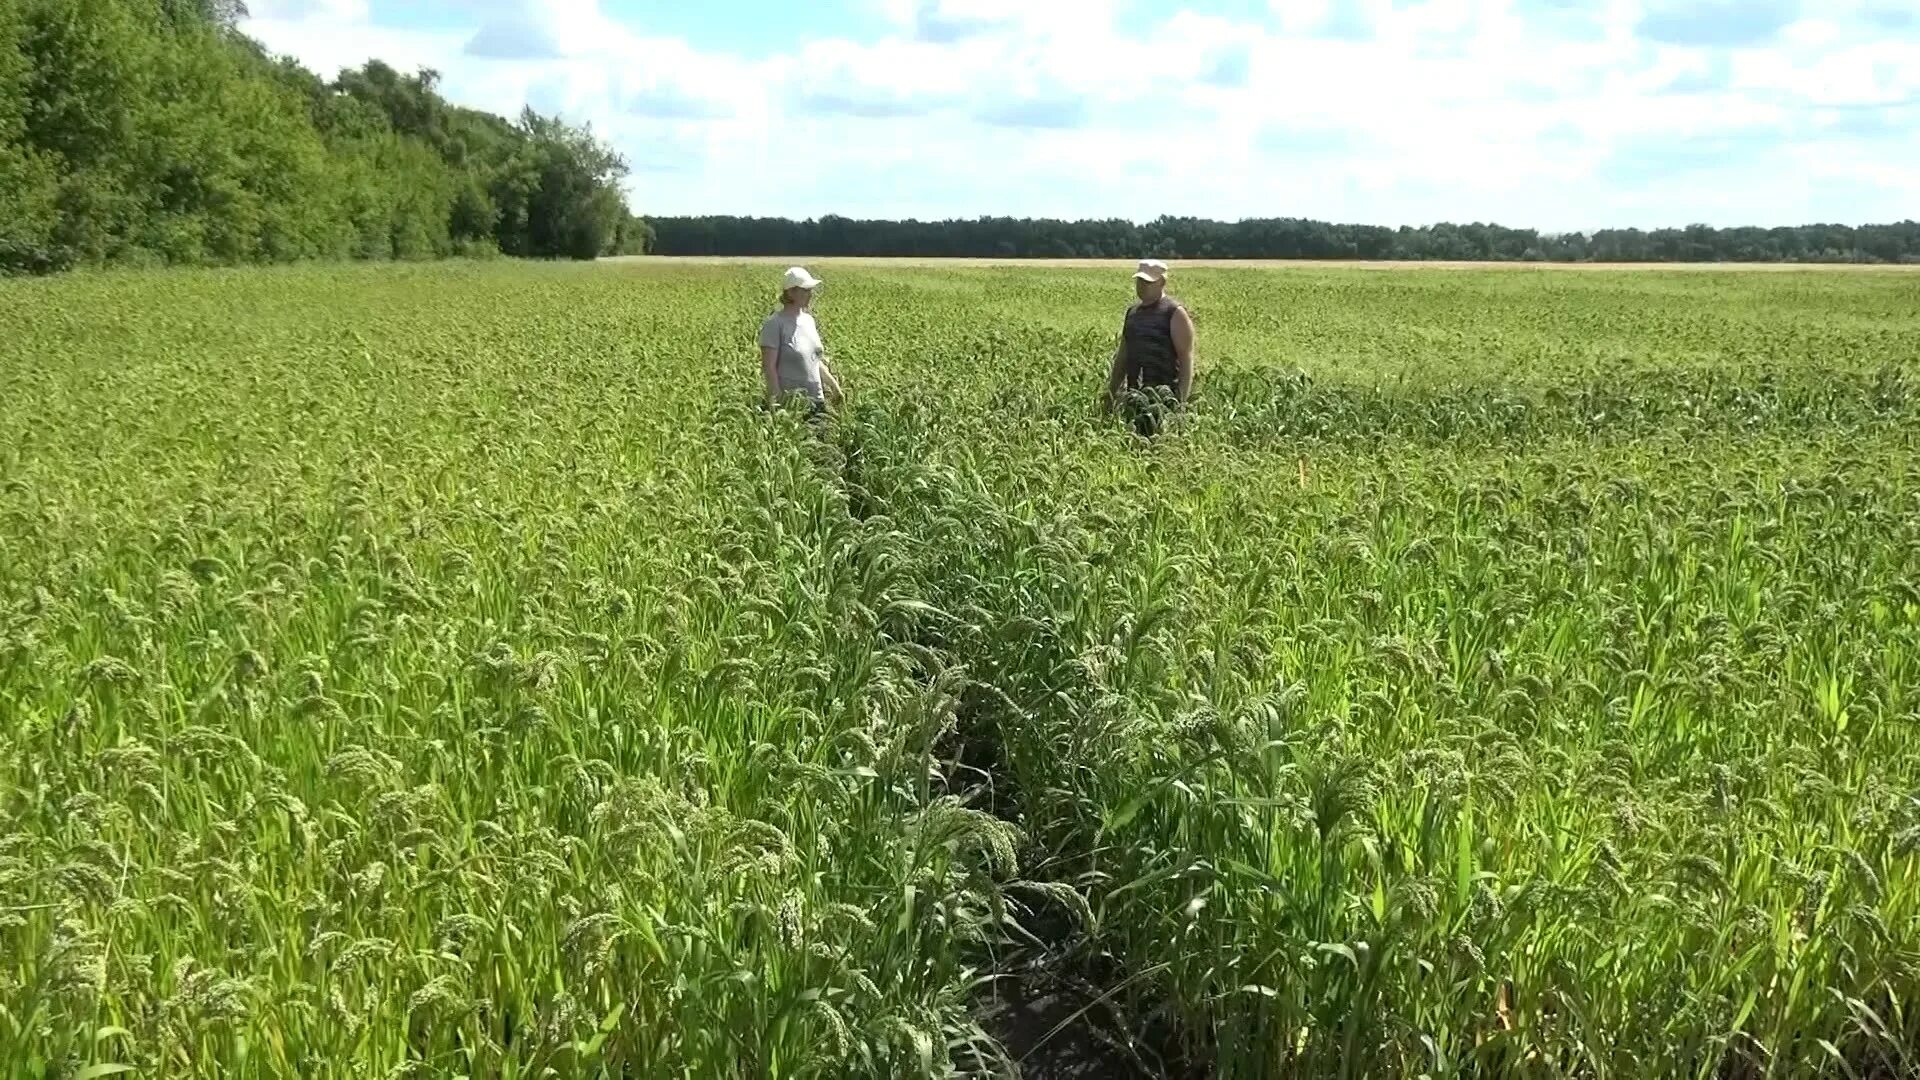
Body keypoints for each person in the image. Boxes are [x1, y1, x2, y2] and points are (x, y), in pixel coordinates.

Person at [1101, 259, 1195, 436]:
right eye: (1140, 281)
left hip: (1164, 399)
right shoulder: (1133, 313)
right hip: (1134, 397)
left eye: (1148, 282)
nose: (1143, 286)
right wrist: (1112, 392)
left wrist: (1181, 403)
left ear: (1162, 282)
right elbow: (1123, 354)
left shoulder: (1174, 312)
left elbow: (1186, 359)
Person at [758, 266, 843, 416]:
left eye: (810, 290)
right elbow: (769, 368)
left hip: (817, 402)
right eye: (805, 290)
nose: (810, 294)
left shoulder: (809, 321)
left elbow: (815, 361)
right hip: (792, 406)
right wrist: (777, 404)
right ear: (790, 292)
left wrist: (835, 387)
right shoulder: (775, 324)